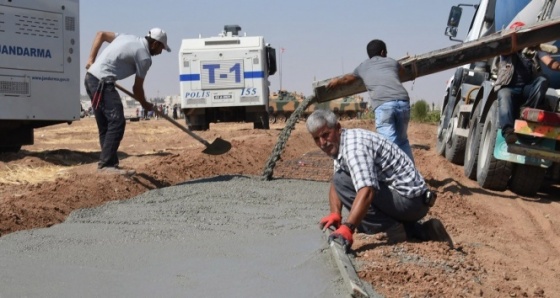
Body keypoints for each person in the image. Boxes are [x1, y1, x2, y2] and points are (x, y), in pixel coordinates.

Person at [306, 109, 453, 251]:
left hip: (411, 202)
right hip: (411, 201)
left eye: (326, 135)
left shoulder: (353, 147)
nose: (322, 143)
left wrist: (348, 227)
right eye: (316, 139)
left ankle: (394, 230)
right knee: (344, 184)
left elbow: (367, 190)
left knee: (358, 212)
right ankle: (421, 230)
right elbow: (336, 181)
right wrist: (335, 214)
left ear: (337, 128)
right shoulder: (341, 143)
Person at [84, 27, 171, 175]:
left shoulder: (126, 37)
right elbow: (137, 88)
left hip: (90, 78)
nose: (160, 52)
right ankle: (105, 166)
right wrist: (145, 104)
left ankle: (109, 164)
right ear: (155, 44)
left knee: (106, 124)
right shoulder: (144, 57)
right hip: (103, 83)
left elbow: (101, 34)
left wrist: (91, 60)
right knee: (117, 121)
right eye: (161, 48)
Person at [327, 39, 414, 163]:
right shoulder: (392, 61)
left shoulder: (363, 66)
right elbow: (402, 71)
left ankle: (394, 178)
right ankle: (411, 175)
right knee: (403, 141)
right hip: (403, 101)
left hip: (384, 105)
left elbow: (347, 79)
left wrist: (337, 81)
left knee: (388, 145)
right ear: (383, 52)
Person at [495, 23, 560, 144]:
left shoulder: (534, 50)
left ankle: (529, 110)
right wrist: (522, 45)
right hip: (509, 87)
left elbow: (551, 63)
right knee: (504, 94)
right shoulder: (506, 49)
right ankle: (508, 131)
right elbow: (508, 49)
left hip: (526, 89)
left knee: (543, 79)